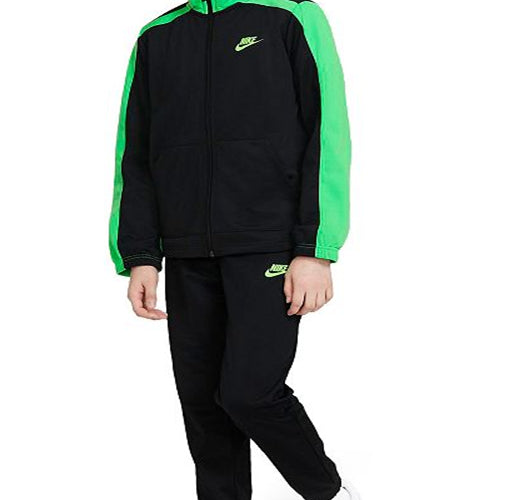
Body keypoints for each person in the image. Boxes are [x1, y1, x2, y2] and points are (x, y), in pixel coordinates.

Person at [108, 1, 355, 499]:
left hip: (269, 245)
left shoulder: (290, 15)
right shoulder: (157, 35)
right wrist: (140, 255)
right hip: (186, 251)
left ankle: (328, 493)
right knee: (203, 407)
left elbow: (327, 132)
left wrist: (316, 248)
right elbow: (134, 153)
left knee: (250, 394)